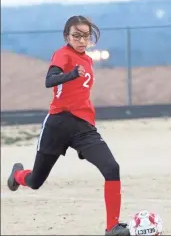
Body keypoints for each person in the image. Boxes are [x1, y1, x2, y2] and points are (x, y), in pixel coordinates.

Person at [7, 15, 130, 236]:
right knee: (35, 181)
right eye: (76, 35)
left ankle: (112, 227)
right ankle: (17, 175)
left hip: (83, 127)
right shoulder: (62, 55)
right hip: (57, 124)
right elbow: (50, 80)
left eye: (86, 36)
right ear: (67, 36)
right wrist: (71, 74)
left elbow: (81, 94)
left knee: (112, 168)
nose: (81, 40)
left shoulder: (89, 60)